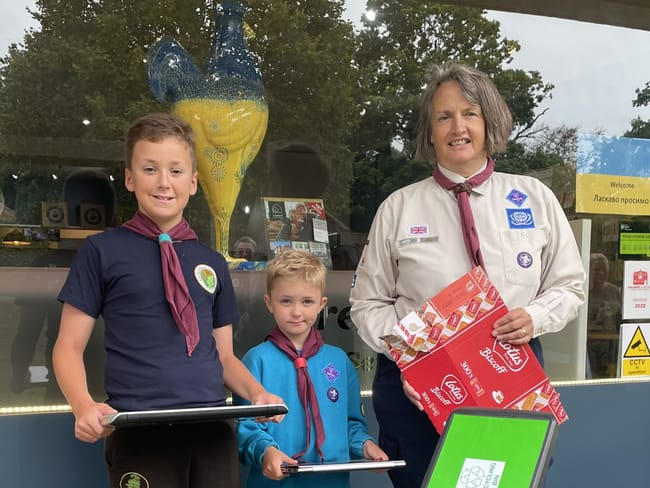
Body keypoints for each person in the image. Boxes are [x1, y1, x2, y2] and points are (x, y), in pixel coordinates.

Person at [349, 62, 586, 488]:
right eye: (444, 116)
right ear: (430, 130)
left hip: (510, 374)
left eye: (469, 113)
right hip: (418, 387)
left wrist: (535, 316)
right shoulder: (398, 208)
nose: (457, 126)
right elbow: (367, 304)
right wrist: (412, 354)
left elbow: (569, 286)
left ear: (488, 120)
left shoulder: (534, 199)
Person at [52, 112, 284, 488]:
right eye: (149, 169)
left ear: (193, 183)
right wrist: (82, 405)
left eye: (176, 171)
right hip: (140, 431)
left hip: (211, 431)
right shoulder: (101, 252)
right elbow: (68, 346)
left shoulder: (212, 262)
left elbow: (223, 357)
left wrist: (257, 393)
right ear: (129, 178)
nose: (163, 182)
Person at [236, 249, 388, 488]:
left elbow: (351, 424)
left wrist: (366, 446)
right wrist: (266, 451)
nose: (297, 312)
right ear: (269, 303)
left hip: (332, 483)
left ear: (322, 304)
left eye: (307, 301)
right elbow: (246, 427)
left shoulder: (339, 362)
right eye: (286, 301)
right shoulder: (255, 362)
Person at [587, 252, 621, 377]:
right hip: (589, 341)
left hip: (610, 341)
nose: (601, 273)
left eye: (604, 269)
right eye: (596, 269)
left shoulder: (614, 291)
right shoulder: (585, 291)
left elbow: (619, 316)